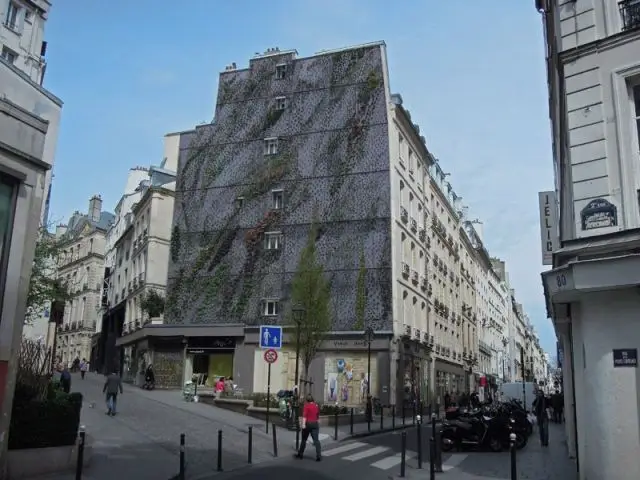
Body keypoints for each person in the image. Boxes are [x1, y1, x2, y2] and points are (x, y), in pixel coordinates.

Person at [294, 394, 322, 461]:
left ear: (307, 400)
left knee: (304, 440)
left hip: (308, 424)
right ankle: (318, 456)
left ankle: (300, 454)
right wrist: (318, 421)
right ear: (313, 399)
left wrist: (303, 425)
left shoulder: (306, 406)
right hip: (315, 424)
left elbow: (304, 416)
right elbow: (317, 415)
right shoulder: (316, 406)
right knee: (316, 441)